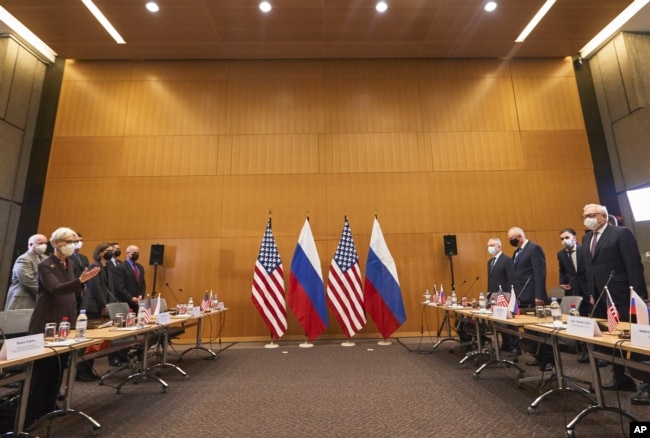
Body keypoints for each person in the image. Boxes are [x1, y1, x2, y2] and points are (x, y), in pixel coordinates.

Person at [24, 227, 100, 428]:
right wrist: (80, 281)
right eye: (69, 241)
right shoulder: (46, 265)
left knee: (58, 368)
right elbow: (55, 288)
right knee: (43, 370)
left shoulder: (70, 263)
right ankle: (33, 413)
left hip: (66, 320)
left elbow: (71, 290)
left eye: (75, 240)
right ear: (57, 243)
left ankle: (49, 407)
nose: (73, 244)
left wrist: (80, 285)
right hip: (47, 320)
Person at [582, 203, 649, 404]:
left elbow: (633, 265)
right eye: (585, 215)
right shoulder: (587, 238)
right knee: (609, 339)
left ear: (603, 216)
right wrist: (591, 294)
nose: (587, 218)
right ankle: (621, 378)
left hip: (622, 295)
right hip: (600, 298)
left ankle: (647, 383)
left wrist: (637, 297)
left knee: (633, 340)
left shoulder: (621, 233)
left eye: (591, 215)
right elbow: (590, 269)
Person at [76, 242, 119, 380]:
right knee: (87, 340)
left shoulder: (109, 267)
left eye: (112, 250)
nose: (111, 252)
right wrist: (104, 305)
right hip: (92, 306)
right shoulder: (94, 266)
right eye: (108, 250)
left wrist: (110, 305)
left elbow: (110, 287)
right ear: (100, 253)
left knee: (95, 340)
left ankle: (88, 369)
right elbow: (96, 288)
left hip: (103, 305)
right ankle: (81, 371)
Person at [508, 227, 548, 370]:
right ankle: (538, 357)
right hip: (522, 294)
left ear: (519, 237)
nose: (510, 241)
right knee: (530, 331)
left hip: (533, 295)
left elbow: (540, 273)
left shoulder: (534, 248)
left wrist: (539, 295)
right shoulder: (517, 252)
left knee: (538, 330)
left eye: (511, 238)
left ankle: (547, 361)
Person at [557, 228, 594, 364]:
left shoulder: (585, 250)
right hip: (573, 291)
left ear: (574, 237)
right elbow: (562, 271)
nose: (564, 241)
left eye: (567, 237)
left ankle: (599, 352)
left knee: (593, 319)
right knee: (578, 320)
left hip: (588, 289)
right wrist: (562, 282)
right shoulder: (561, 254)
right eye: (562, 239)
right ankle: (584, 351)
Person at [486, 237, 517, 354]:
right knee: (499, 320)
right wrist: (489, 296)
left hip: (505, 295)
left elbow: (511, 279)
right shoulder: (490, 262)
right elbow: (490, 280)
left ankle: (515, 346)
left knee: (509, 322)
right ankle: (506, 343)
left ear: (499, 247)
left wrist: (510, 296)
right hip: (494, 296)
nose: (490, 247)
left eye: (492, 245)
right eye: (489, 245)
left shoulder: (507, 260)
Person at [4, 234, 48, 310]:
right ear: (31, 244)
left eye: (45, 243)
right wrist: (46, 293)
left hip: (38, 300)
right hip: (23, 300)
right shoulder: (24, 259)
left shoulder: (46, 258)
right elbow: (28, 281)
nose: (44, 245)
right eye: (40, 243)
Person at [114, 245, 146, 313]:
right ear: (127, 253)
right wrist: (130, 298)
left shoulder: (140, 267)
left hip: (138, 303)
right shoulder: (121, 267)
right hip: (125, 303)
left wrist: (141, 295)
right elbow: (119, 287)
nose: (136, 255)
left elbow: (142, 284)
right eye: (134, 253)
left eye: (138, 253)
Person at [69, 232, 90, 313]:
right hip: (72, 290)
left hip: (83, 292)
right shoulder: (67, 257)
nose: (79, 243)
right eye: (77, 241)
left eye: (81, 241)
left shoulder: (84, 258)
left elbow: (87, 273)